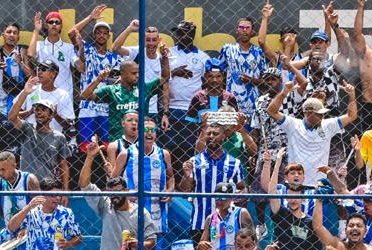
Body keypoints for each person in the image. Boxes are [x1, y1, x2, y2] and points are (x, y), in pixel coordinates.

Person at [79, 143, 158, 250]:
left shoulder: (140, 213)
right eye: (111, 192)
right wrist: (90, 157)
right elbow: (84, 185)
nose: (114, 196)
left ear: (126, 191)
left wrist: (138, 244)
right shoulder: (105, 206)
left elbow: (152, 241)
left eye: (118, 192)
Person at [268, 80, 358, 184]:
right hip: (296, 185)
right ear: (308, 113)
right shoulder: (293, 124)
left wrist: (352, 95)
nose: (322, 116)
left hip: (318, 184)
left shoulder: (327, 125)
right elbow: (271, 111)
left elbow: (351, 116)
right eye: (319, 114)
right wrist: (284, 92)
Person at [6, 179, 81, 250]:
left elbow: (78, 237)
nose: (57, 198)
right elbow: (11, 227)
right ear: (42, 195)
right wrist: (27, 208)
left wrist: (69, 244)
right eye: (53, 195)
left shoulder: (66, 213)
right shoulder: (31, 212)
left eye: (59, 195)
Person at [68, 8, 125, 148]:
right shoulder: (87, 49)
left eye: (105, 33)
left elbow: (124, 75)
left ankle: (109, 170)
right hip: (87, 104)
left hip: (106, 106)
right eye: (98, 33)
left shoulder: (115, 58)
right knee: (87, 146)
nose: (101, 35)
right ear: (94, 35)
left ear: (108, 36)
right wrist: (91, 18)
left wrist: (120, 80)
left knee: (108, 146)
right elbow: (71, 33)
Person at [113, 116, 174, 241]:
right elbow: (112, 182)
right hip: (132, 213)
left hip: (157, 214)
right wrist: (124, 194)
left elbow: (171, 177)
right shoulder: (126, 154)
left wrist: (170, 190)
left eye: (153, 130)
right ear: (138, 131)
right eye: (146, 129)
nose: (150, 133)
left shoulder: (164, 154)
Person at [82, 55, 170, 142]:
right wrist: (99, 79)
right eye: (134, 73)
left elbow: (164, 78)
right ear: (123, 74)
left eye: (138, 72)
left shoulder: (144, 88)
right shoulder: (111, 90)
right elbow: (85, 96)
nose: (138, 75)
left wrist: (165, 58)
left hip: (140, 141)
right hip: (117, 140)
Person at [182, 124, 245, 238]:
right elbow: (185, 189)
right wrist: (187, 176)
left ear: (224, 137)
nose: (211, 136)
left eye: (215, 134)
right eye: (208, 133)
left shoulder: (235, 163)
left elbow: (242, 188)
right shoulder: (194, 162)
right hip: (199, 221)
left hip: (226, 223)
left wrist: (239, 194)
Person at [163, 20, 209, 164]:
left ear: (192, 34)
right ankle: (171, 180)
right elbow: (160, 77)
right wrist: (174, 72)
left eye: (184, 32)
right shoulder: (168, 53)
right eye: (179, 33)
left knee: (188, 149)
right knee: (168, 148)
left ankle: (187, 181)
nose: (181, 36)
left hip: (191, 110)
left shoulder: (203, 57)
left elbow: (208, 84)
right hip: (170, 108)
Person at [8, 83, 73, 184]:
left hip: (47, 185)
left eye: (43, 110)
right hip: (25, 185)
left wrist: (65, 192)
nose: (39, 112)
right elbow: (12, 117)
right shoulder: (27, 129)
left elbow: (63, 165)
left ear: (51, 115)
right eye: (37, 109)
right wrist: (25, 93)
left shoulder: (59, 137)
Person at [28, 11, 77, 119]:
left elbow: (80, 67)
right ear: (46, 25)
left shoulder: (68, 47)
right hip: (43, 94)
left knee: (63, 130)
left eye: (57, 22)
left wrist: (80, 48)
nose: (54, 24)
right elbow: (30, 55)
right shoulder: (40, 45)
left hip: (63, 96)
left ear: (61, 26)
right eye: (51, 22)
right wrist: (36, 30)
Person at [219, 16, 268, 117]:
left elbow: (266, 82)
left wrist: (250, 80)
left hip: (253, 106)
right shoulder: (228, 49)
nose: (244, 30)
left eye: (247, 28)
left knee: (252, 132)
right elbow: (218, 74)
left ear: (253, 31)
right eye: (241, 27)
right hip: (231, 104)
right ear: (237, 30)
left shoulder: (259, 52)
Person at [0, 150, 39, 239]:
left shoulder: (29, 180)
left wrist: (28, 229)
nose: (1, 173)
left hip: (31, 230)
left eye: (3, 169)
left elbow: (39, 208)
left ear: (14, 166)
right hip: (10, 233)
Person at [0, 21, 32, 119]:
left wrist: (21, 63)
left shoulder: (22, 52)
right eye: (9, 32)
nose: (12, 35)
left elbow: (31, 77)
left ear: (18, 37)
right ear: (3, 35)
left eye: (15, 33)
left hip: (18, 107)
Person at [12, 59, 72, 133]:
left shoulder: (63, 95)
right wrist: (30, 112)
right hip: (31, 136)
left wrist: (55, 115)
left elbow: (68, 125)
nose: (39, 72)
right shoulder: (30, 90)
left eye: (43, 69)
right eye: (38, 69)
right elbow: (14, 115)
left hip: (53, 138)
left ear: (53, 74)